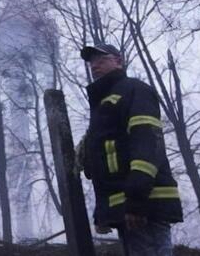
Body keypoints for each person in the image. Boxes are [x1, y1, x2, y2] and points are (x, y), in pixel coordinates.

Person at [77, 43, 182, 256]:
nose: (94, 65)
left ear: (119, 60)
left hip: (144, 201)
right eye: (91, 62)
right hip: (128, 203)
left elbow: (146, 141)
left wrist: (136, 200)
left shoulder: (134, 90)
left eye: (102, 59)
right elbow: (106, 157)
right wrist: (103, 211)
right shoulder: (104, 103)